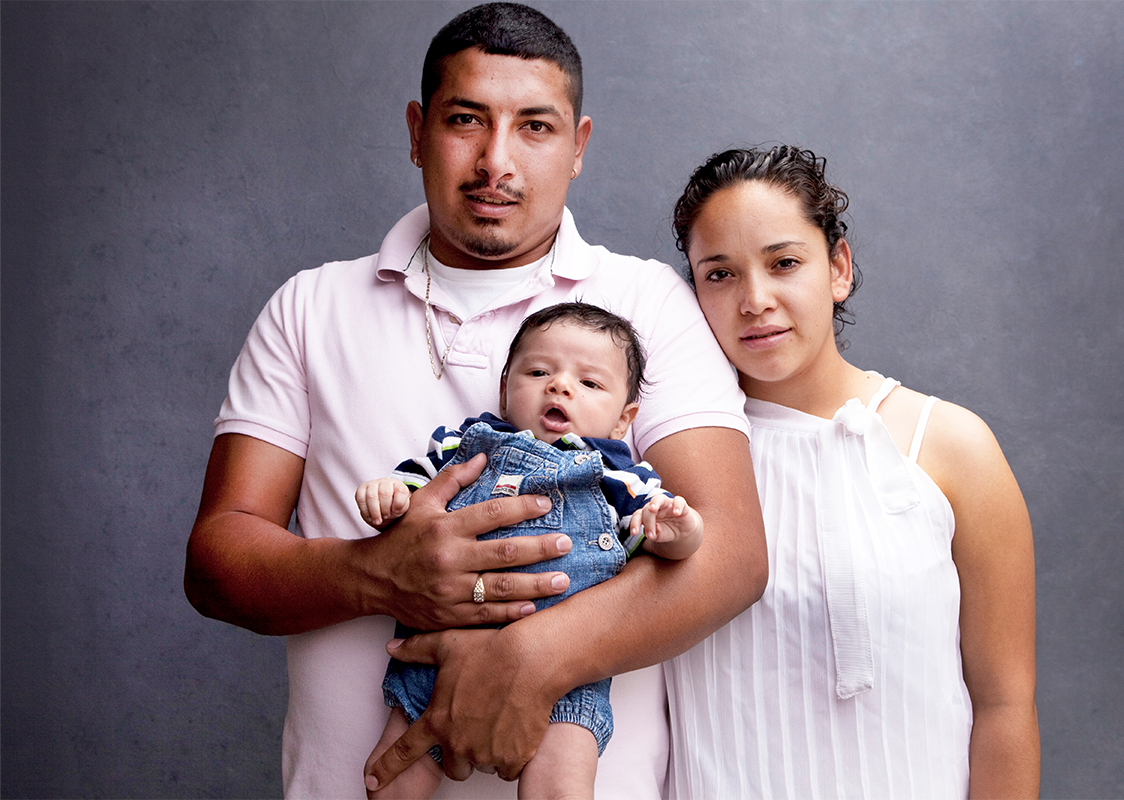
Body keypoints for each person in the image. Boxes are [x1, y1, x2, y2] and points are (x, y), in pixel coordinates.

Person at [183, 4, 766, 799]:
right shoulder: (310, 307)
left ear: (578, 146)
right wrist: (379, 575)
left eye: (535, 127)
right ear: (419, 130)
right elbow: (218, 560)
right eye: (466, 120)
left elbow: (730, 557)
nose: (498, 160)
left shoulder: (648, 303)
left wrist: (524, 660)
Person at [664, 146, 1040, 799]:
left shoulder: (950, 448)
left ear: (837, 268)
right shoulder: (667, 465)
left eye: (784, 263)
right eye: (719, 274)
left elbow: (1006, 708)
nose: (755, 300)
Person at [357, 302, 703, 800]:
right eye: (539, 371)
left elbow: (667, 541)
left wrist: (679, 529)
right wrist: (388, 496)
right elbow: (412, 495)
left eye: (589, 384)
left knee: (561, 784)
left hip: (566, 666)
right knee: (391, 777)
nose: (559, 386)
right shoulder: (465, 444)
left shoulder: (617, 474)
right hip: (438, 649)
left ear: (623, 419)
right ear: (504, 389)